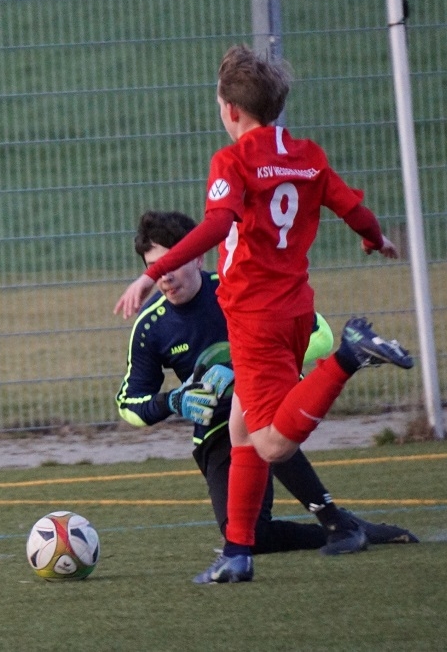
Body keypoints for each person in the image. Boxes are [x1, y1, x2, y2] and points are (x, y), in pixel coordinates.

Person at [115, 45, 414, 583]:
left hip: (254, 316)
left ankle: (349, 355)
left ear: (230, 110)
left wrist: (149, 273)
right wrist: (375, 239)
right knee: (242, 430)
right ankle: (237, 554)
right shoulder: (307, 155)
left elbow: (216, 224)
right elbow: (352, 207)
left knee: (272, 441)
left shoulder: (231, 161)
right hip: (296, 308)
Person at [115, 211, 418, 557]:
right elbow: (128, 404)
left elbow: (319, 335)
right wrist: (172, 401)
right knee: (248, 538)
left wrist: (242, 367)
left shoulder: (238, 288)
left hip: (269, 402)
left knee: (259, 419)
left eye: (173, 262)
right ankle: (347, 528)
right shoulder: (150, 327)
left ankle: (335, 521)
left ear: (198, 257)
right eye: (155, 267)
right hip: (216, 431)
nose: (165, 275)